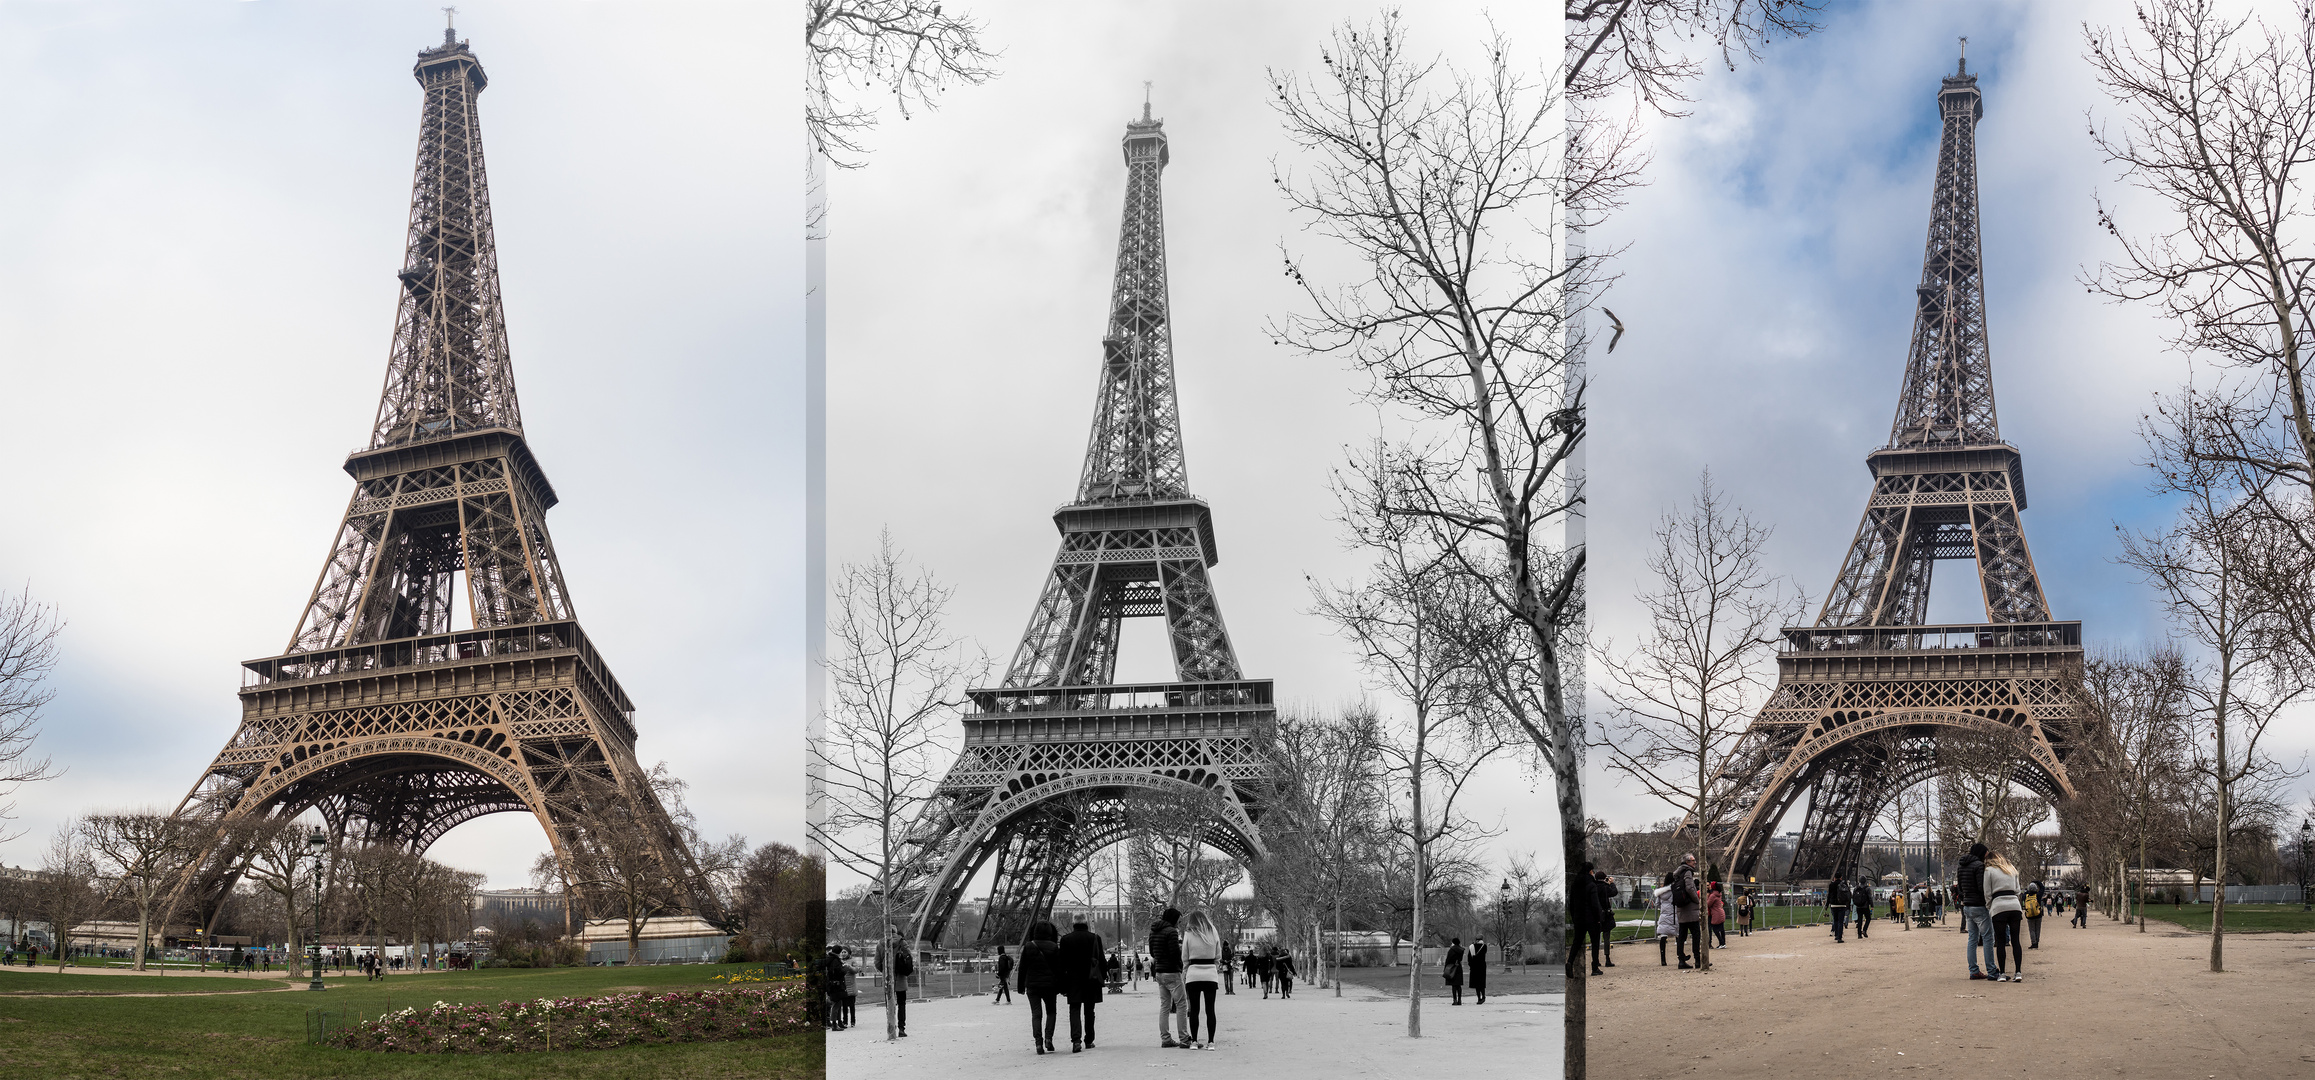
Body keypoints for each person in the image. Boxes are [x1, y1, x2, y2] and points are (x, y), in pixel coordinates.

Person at [1059, 919, 1106, 1052]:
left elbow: (1061, 964)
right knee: (1089, 1011)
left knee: (1074, 1009)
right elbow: (1101, 959)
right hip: (1091, 979)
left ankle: (1076, 1040)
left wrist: (1062, 984)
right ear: (1086, 923)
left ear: (1073, 923)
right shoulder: (1095, 938)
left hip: (1072, 979)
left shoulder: (1065, 939)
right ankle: (1089, 1039)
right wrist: (1103, 977)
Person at [1018, 920, 1064, 1054]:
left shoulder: (1028, 946)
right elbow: (1059, 970)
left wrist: (1020, 987)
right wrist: (1061, 986)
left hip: (1032, 985)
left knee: (1036, 1014)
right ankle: (1048, 1038)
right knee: (1051, 1012)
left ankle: (1038, 1042)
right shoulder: (1054, 947)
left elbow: (1022, 969)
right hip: (1049, 985)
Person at [1179, 910, 1222, 1049]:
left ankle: (1194, 1041)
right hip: (1210, 973)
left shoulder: (1188, 933)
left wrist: (1186, 970)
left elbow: (1184, 956)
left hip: (1193, 973)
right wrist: (1213, 967)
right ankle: (1211, 1042)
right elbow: (1218, 954)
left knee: (1194, 1010)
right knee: (1210, 1009)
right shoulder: (1213, 931)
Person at [1148, 908, 1188, 1048]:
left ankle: (1165, 1038)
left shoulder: (1153, 931)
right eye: (1179, 919)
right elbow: (1175, 953)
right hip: (1172, 971)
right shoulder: (1172, 932)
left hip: (1159, 971)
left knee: (1165, 1005)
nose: (1180, 922)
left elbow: (1152, 952)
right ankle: (1184, 1038)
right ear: (1173, 919)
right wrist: (1180, 965)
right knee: (1181, 1004)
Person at [1984, 851, 2025, 982]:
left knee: (2000, 941)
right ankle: (2018, 972)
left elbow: (1987, 892)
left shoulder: (1989, 870)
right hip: (2014, 904)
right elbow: (2018, 890)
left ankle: (2002, 973)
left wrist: (1990, 907)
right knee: (2016, 941)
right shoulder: (2012, 869)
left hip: (1998, 905)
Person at [1958, 842, 1995, 981]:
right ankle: (1991, 969)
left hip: (1967, 905)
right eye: (1986, 853)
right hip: (1979, 905)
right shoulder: (1980, 866)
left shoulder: (1961, 866)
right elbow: (1982, 887)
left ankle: (1973, 970)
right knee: (1988, 938)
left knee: (1972, 939)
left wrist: (1964, 898)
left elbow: (1960, 887)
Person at [877, 933, 915, 1036]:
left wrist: (885, 971)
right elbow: (909, 957)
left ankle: (891, 1026)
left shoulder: (880, 944)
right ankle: (901, 1028)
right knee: (902, 1003)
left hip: (888, 978)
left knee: (889, 1004)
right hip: (900, 977)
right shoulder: (902, 942)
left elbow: (877, 963)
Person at [1671, 853, 1703, 969]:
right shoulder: (1688, 872)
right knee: (1696, 935)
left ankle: (1681, 960)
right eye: (1693, 860)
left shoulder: (1677, 874)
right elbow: (1689, 888)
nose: (1695, 862)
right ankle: (1698, 960)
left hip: (1681, 909)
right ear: (1687, 862)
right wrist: (1697, 900)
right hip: (1691, 909)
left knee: (1682, 937)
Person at [1593, 869, 1621, 966]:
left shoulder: (1593, 887)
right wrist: (1611, 883)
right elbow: (1614, 892)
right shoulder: (1605, 887)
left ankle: (1595, 960)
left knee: (1595, 939)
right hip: (1605, 914)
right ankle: (1607, 959)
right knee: (1606, 938)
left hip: (1595, 914)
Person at [1653, 882, 1678, 966]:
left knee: (1663, 937)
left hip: (1663, 916)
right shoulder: (1674, 891)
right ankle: (1680, 956)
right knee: (1678, 935)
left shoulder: (1661, 893)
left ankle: (1663, 959)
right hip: (1674, 915)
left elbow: (1657, 904)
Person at [1828, 877, 1851, 943]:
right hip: (1842, 904)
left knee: (1835, 920)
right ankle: (1839, 937)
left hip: (1834, 904)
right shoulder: (1844, 885)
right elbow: (1848, 895)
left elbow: (1829, 895)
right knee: (1840, 921)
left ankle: (1836, 935)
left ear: (1834, 878)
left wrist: (1827, 904)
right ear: (1841, 878)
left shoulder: (1831, 885)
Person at [1443, 937, 1465, 1005]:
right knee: (1458, 985)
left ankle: (1455, 1000)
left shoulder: (1451, 950)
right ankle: (1460, 1000)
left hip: (1452, 967)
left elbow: (1448, 959)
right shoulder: (1461, 950)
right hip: (1458, 966)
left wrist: (1445, 968)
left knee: (1454, 985)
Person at [2022, 882, 2044, 950]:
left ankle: (2033, 943)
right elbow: (2042, 887)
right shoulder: (2038, 895)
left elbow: (2024, 894)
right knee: (2037, 929)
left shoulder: (2025, 896)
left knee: (2031, 930)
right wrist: (2036, 881)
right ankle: (2037, 943)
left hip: (2029, 915)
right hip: (2038, 914)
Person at [1469, 936, 1489, 1004]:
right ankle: (1483, 996)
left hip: (1474, 966)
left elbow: (1469, 957)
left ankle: (1479, 998)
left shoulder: (1472, 947)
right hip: (1482, 966)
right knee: (1481, 982)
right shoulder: (1484, 946)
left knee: (1476, 983)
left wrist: (1471, 965)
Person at [1707, 882, 1727, 948]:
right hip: (1720, 912)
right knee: (1721, 929)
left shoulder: (1713, 895)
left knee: (1715, 929)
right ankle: (1723, 943)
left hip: (1716, 913)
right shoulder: (1718, 893)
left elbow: (1708, 904)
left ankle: (1721, 942)